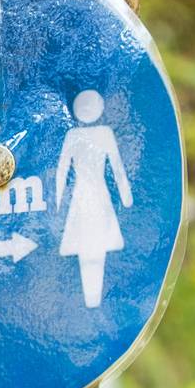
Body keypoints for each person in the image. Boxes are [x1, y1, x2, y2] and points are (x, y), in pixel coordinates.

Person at [56, 89, 132, 308]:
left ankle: (93, 300)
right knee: (88, 243)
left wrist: (126, 195)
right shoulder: (80, 135)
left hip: (90, 193)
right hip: (88, 194)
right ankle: (91, 300)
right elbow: (62, 170)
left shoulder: (97, 135)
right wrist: (57, 199)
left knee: (94, 242)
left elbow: (116, 166)